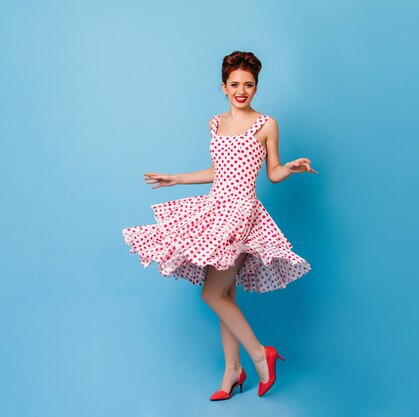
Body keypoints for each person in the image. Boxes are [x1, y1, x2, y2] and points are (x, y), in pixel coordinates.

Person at [121, 50, 317, 400]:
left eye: (249, 85)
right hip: (214, 209)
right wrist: (177, 178)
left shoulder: (266, 124)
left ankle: (261, 355)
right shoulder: (215, 123)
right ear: (223, 87)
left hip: (243, 215)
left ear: (256, 87)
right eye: (235, 84)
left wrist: (290, 168)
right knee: (225, 292)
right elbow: (220, 171)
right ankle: (232, 372)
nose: (242, 90)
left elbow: (271, 173)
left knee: (211, 293)